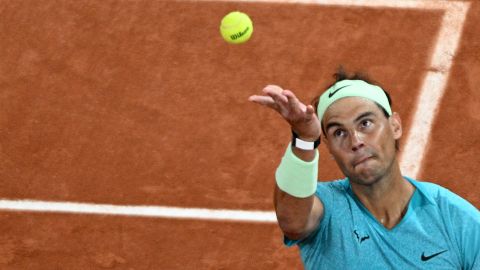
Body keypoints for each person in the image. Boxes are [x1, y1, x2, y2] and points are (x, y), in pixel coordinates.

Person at [248, 69, 480, 269]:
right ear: (328, 146)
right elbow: (292, 221)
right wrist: (305, 139)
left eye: (365, 123)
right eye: (339, 132)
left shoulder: (454, 218)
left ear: (395, 126)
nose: (355, 141)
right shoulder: (326, 208)